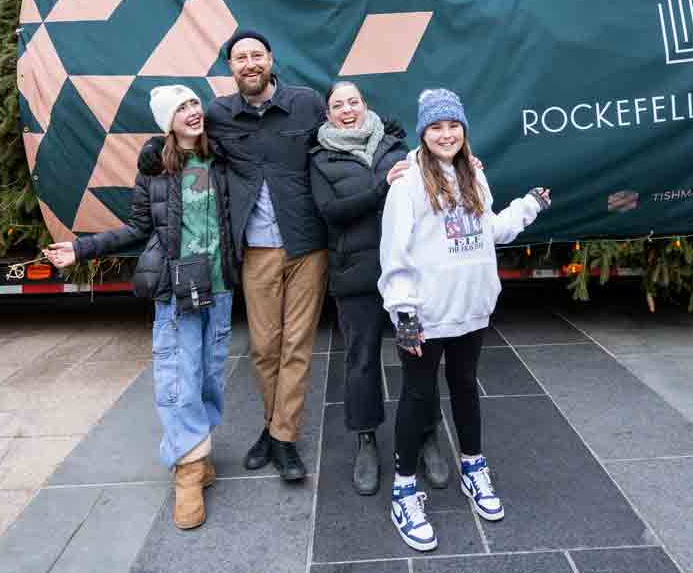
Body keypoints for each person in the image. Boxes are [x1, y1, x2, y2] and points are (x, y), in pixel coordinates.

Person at [43, 85, 239, 531]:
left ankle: (198, 450)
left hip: (220, 284)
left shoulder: (221, 158)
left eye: (194, 104)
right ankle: (188, 469)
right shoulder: (156, 166)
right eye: (181, 109)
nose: (191, 112)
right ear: (166, 121)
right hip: (176, 287)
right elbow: (137, 228)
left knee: (209, 371)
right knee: (178, 374)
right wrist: (82, 249)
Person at [378, 89, 550, 552]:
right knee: (417, 395)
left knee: (466, 386)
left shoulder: (473, 175)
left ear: (463, 130)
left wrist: (528, 206)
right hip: (427, 315)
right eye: (436, 127)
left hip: (470, 308)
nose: (446, 134)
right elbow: (393, 255)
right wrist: (405, 314)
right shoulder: (407, 184)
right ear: (423, 132)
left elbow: (487, 231)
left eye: (453, 126)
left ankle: (474, 468)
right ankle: (404, 489)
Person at [206, 30, 329, 482]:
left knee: (297, 345)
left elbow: (340, 144)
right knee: (264, 347)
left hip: (306, 244)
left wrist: (392, 154)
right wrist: (150, 157)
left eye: (257, 55)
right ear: (231, 68)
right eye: (240, 57)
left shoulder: (306, 103)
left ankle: (283, 437)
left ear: (271, 59)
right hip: (255, 248)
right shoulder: (218, 114)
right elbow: (194, 153)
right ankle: (274, 427)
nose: (249, 63)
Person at [308, 81, 412, 497]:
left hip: (407, 275)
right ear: (328, 113)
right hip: (356, 275)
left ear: (365, 105)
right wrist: (380, 189)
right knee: (362, 360)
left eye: (353, 102)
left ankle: (426, 432)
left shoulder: (396, 146)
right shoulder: (320, 158)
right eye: (337, 105)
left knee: (416, 356)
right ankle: (366, 439)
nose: (347, 110)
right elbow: (331, 213)